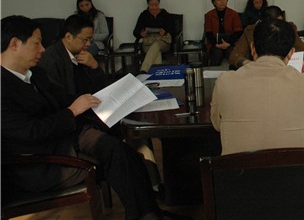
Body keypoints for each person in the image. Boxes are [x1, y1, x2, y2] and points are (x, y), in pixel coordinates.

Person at [1, 15, 189, 220]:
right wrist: (72, 111)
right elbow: (31, 132)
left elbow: (62, 98)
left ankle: (150, 214)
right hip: (41, 164)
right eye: (36, 43)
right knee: (120, 157)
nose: (42, 49)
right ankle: (148, 215)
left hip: (65, 139)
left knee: (126, 153)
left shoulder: (34, 74)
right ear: (14, 44)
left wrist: (98, 101)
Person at [36, 14, 162, 191]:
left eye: (91, 39)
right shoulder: (51, 60)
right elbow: (58, 100)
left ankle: (154, 183)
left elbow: (100, 87)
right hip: (80, 121)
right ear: (68, 37)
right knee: (125, 138)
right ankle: (147, 183)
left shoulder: (82, 55)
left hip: (95, 110)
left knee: (137, 125)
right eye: (85, 39)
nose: (88, 44)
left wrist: (95, 66)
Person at [211, 18, 304, 155]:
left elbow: (217, 124)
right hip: (295, 168)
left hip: (238, 169)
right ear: (291, 53)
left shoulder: (225, 82)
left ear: (253, 49)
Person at [228, 5, 304, 70]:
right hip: (257, 70)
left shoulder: (288, 29)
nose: (277, 26)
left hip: (283, 69)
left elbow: (302, 52)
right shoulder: (251, 31)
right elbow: (235, 56)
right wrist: (248, 63)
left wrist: (287, 60)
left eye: (280, 23)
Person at [133, 0, 176, 73]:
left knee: (156, 45)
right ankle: (157, 73)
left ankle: (144, 70)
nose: (154, 7)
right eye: (151, 5)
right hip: (148, 42)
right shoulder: (144, 15)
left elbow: (173, 29)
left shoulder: (165, 14)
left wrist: (165, 31)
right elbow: (135, 32)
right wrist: (141, 34)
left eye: (156, 5)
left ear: (159, 4)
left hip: (163, 41)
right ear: (148, 4)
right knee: (156, 52)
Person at [204, 0, 243, 67]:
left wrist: (228, 43)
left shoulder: (233, 14)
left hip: (231, 43)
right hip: (215, 44)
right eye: (219, 0)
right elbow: (208, 32)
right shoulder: (209, 15)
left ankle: (235, 72)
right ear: (214, 2)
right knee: (217, 53)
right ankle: (213, 73)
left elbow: (238, 31)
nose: (222, 2)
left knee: (231, 53)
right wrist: (216, 44)